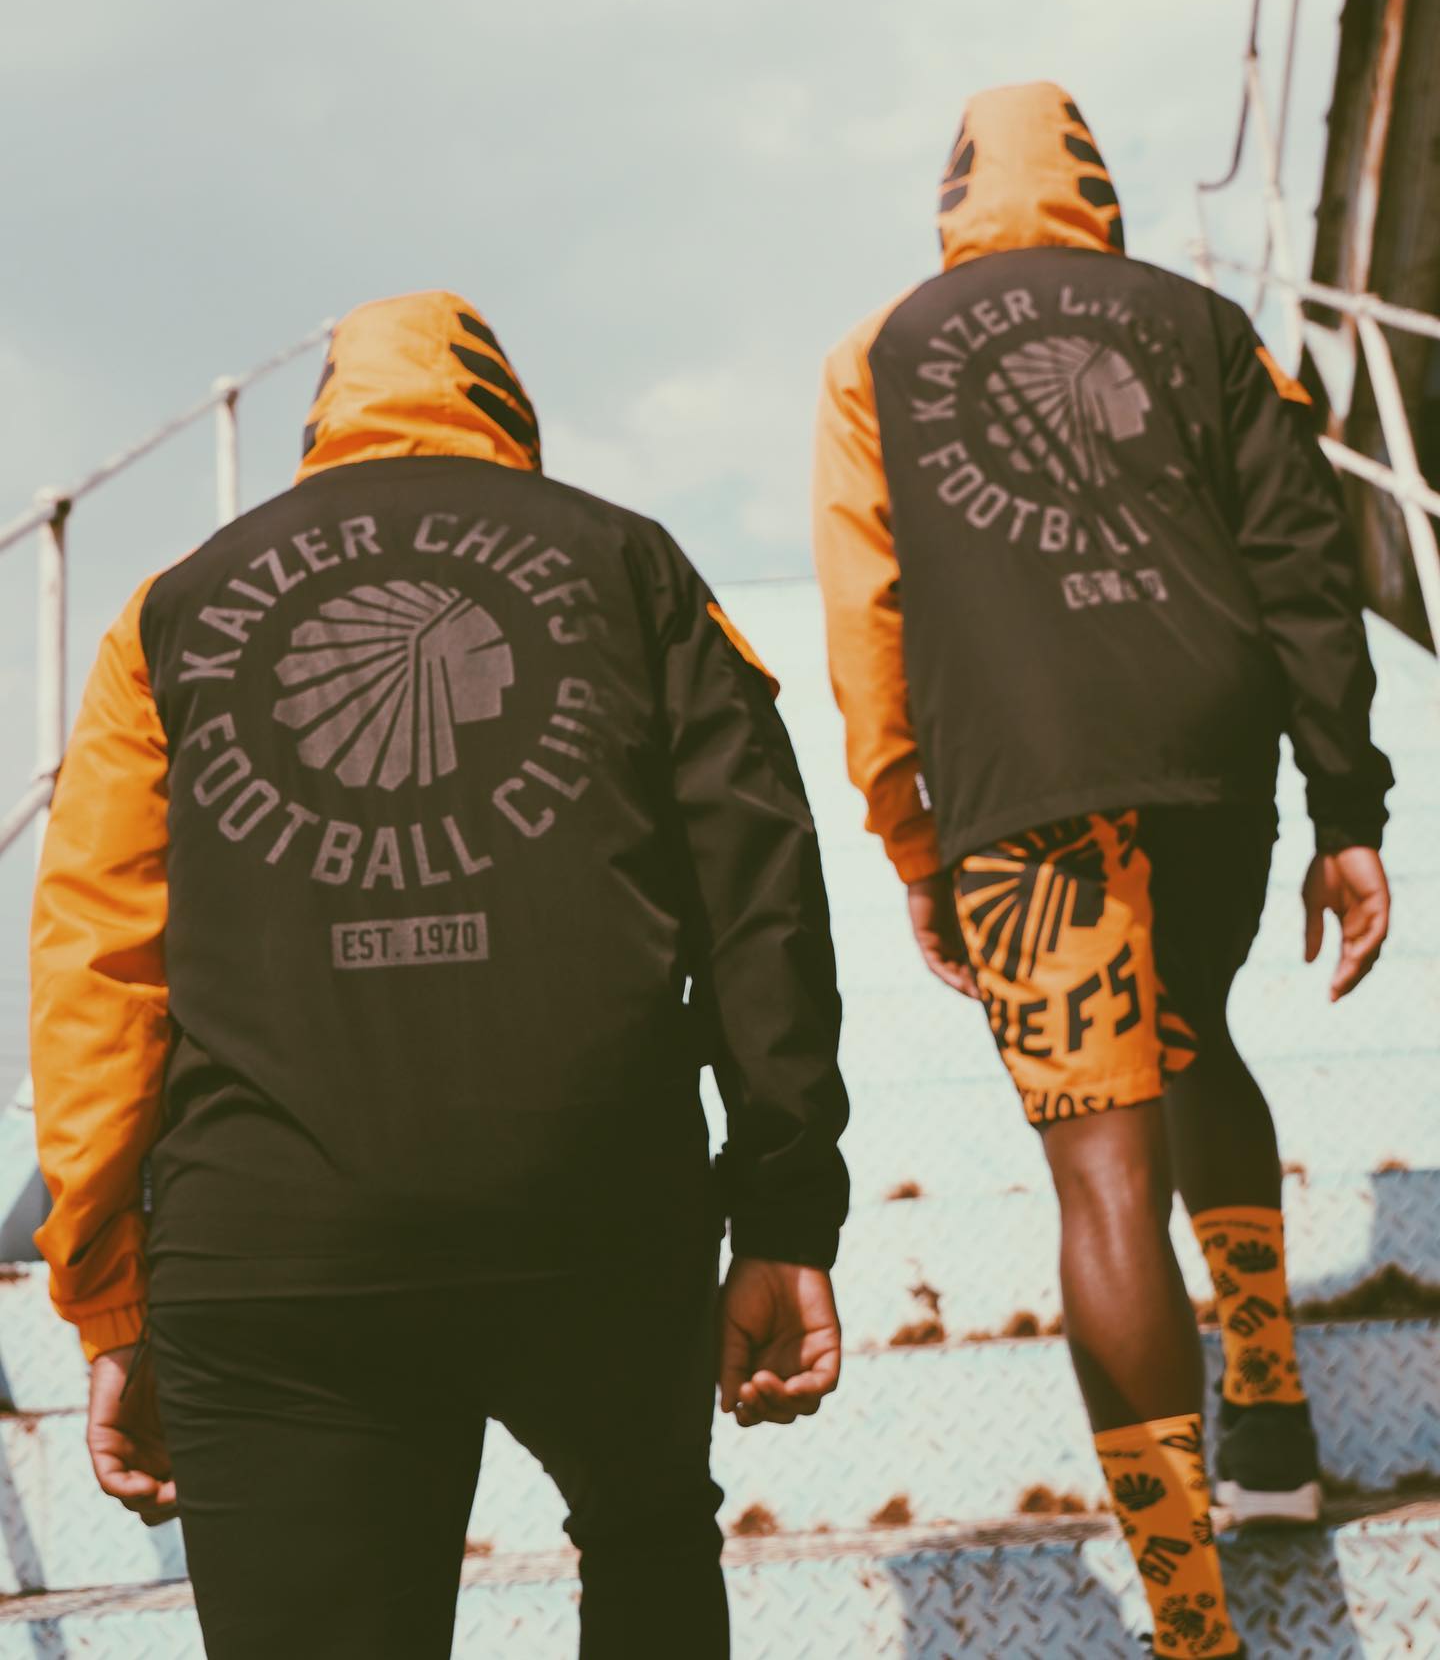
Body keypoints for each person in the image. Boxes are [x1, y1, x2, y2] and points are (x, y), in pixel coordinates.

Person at [31, 289, 849, 1660]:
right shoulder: (630, 562)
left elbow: (97, 968)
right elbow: (761, 891)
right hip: (597, 1212)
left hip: (269, 1245)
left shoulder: (172, 610)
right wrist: (785, 1213)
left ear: (319, 430)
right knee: (648, 1541)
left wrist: (109, 1294)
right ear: (506, 418)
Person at [812, 81, 1393, 1660]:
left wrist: (908, 828)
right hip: (1209, 759)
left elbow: (866, 606)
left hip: (1021, 787)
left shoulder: (878, 352)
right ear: (1098, 191)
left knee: (1103, 1170)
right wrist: (1347, 808)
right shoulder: (1205, 326)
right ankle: (1267, 1406)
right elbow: (1303, 561)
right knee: (1195, 1036)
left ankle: (1195, 1628)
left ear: (952, 199)